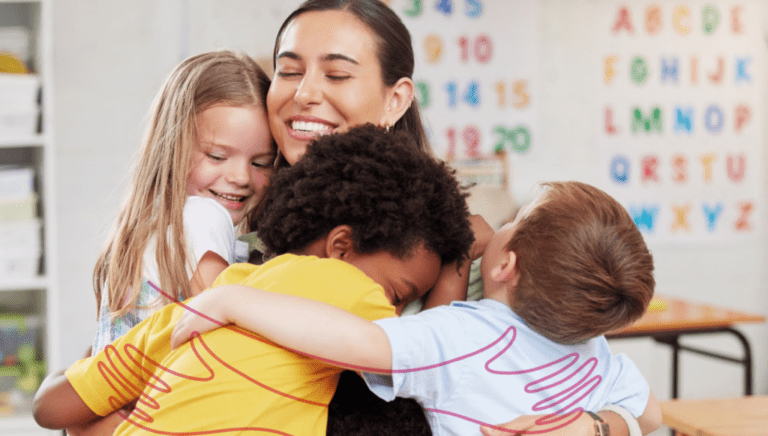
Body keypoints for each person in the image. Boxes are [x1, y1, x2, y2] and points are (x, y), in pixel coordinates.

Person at [32, 125, 474, 436]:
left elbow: (51, 407)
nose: (393, 312)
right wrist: (460, 265)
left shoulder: (212, 298)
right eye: (397, 295)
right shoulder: (351, 290)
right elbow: (426, 363)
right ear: (341, 247)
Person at [170, 181, 663, 435]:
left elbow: (357, 341)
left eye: (516, 220)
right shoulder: (588, 342)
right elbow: (652, 413)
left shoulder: (463, 337)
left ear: (506, 266)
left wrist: (235, 298)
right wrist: (596, 426)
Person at [90, 50, 276, 353]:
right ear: (173, 146)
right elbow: (224, 342)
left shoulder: (145, 230)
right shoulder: (205, 217)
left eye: (261, 162)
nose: (241, 176)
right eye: (217, 156)